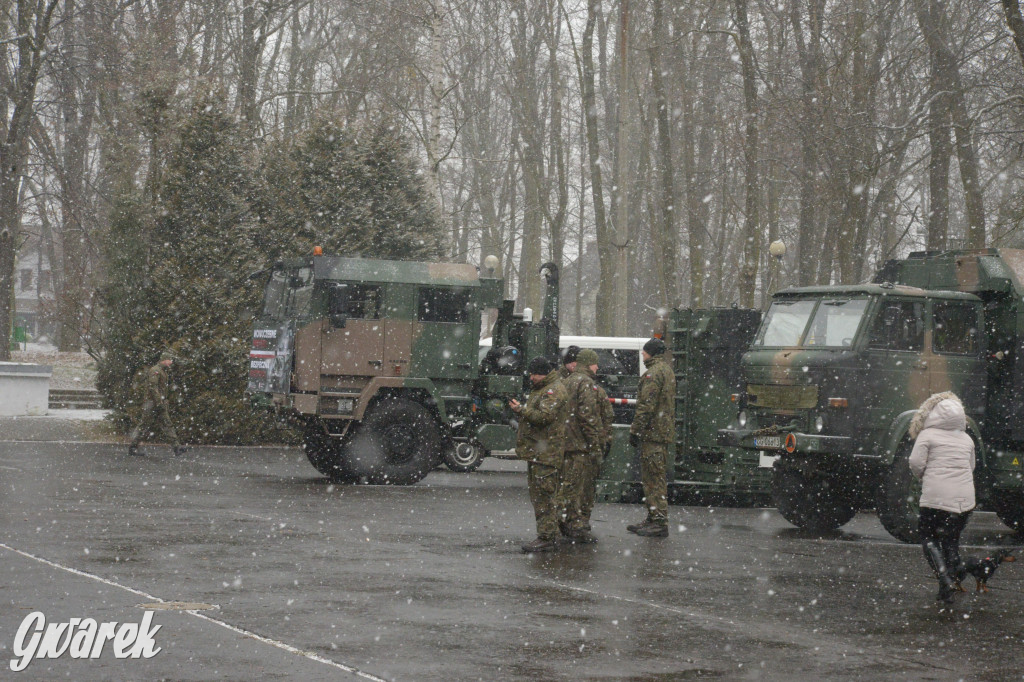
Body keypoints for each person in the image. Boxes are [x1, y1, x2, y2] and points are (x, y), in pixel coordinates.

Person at [908, 391, 975, 604]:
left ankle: (945, 578)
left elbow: (915, 463)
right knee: (951, 537)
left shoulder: (927, 435)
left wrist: (923, 477)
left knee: (928, 537)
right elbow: (971, 467)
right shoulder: (967, 439)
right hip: (964, 500)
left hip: (936, 498)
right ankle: (956, 568)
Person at [510, 356, 568, 553]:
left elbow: (544, 417)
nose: (531, 377)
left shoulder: (553, 390)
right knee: (541, 495)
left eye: (534, 374)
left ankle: (547, 537)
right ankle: (550, 533)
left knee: (544, 496)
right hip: (539, 452)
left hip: (547, 454)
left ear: (541, 373)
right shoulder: (544, 389)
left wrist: (521, 410)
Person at [627, 338, 675, 537]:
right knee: (654, 477)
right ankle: (653, 516)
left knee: (653, 479)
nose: (642, 355)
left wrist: (635, 430)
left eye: (644, 352)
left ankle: (659, 521)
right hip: (660, 432)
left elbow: (645, 406)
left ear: (650, 353)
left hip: (653, 434)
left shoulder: (653, 374)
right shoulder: (667, 371)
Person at [556, 348, 604, 543]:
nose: (597, 367)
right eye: (595, 363)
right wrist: (595, 445)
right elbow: (588, 417)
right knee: (573, 487)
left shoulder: (567, 381)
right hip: (578, 445)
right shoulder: (585, 383)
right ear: (587, 363)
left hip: (566, 442)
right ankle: (566, 523)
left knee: (567, 484)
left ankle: (568, 522)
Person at [128, 351, 186, 457]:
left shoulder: (163, 371)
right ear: (164, 360)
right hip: (151, 403)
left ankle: (177, 447)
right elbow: (153, 388)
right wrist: (159, 402)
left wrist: (162, 402)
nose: (171, 362)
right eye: (169, 360)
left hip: (159, 403)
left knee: (167, 424)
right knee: (144, 425)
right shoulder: (155, 370)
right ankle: (133, 447)